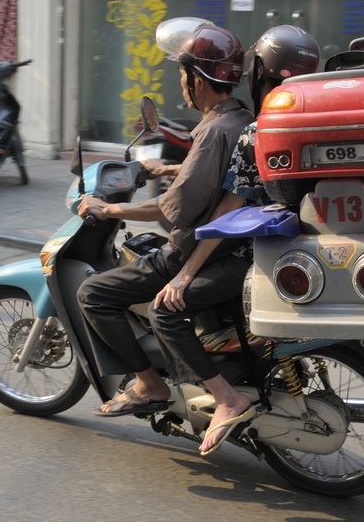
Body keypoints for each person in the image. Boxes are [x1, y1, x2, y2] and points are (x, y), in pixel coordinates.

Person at [151, 25, 321, 455]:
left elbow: (229, 211)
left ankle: (228, 398)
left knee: (166, 312)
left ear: (260, 73)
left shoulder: (259, 131)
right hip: (302, 249)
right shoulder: (314, 123)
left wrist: (184, 275)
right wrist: (173, 172)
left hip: (252, 254)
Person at [76, 23, 253, 427]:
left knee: (93, 293)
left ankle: (150, 383)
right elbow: (219, 177)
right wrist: (170, 166)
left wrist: (109, 211)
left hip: (197, 251)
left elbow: (173, 208)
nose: (180, 86)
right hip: (229, 246)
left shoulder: (211, 132)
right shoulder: (239, 117)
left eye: (182, 76)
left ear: (198, 79)